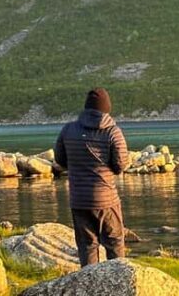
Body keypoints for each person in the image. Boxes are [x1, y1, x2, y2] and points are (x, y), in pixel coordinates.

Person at [54, 87, 130, 266]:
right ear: (106, 107)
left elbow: (60, 160)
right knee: (115, 244)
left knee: (87, 246)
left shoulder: (68, 129)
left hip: (79, 199)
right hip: (106, 199)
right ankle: (119, 286)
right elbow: (120, 165)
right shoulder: (113, 132)